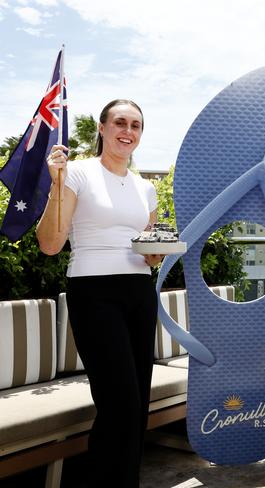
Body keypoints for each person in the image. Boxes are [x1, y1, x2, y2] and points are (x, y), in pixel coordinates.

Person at [36, 99, 163, 487]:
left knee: (137, 400)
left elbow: (151, 254)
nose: (128, 131)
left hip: (140, 290)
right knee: (120, 401)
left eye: (136, 125)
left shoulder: (147, 188)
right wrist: (56, 183)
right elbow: (50, 244)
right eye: (120, 123)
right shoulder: (75, 173)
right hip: (94, 291)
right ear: (103, 129)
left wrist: (159, 252)